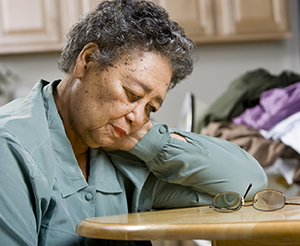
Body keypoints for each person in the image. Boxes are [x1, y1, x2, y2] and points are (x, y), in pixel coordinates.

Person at [0, 0, 267, 245]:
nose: (138, 117)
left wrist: (152, 141)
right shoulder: (10, 149)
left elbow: (247, 184)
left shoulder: (122, 152)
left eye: (151, 107)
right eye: (132, 95)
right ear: (87, 60)